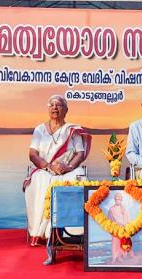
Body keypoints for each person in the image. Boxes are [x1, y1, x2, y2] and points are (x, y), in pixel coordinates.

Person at [24, 95, 91, 246]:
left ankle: (72, 231)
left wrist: (69, 167)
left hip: (67, 169)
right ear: (48, 109)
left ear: (66, 110)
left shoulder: (72, 130)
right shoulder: (40, 129)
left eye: (59, 105)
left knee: (78, 178)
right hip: (45, 168)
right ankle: (41, 233)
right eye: (52, 105)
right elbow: (32, 154)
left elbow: (80, 153)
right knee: (42, 179)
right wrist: (48, 166)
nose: (55, 107)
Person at [108, 193, 135, 263]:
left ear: (121, 200)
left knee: (124, 242)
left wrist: (126, 227)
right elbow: (109, 219)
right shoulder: (111, 209)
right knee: (115, 243)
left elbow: (128, 218)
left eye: (119, 199)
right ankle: (114, 258)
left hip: (123, 228)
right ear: (114, 200)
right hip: (115, 229)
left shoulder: (124, 208)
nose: (118, 200)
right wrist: (112, 227)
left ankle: (121, 257)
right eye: (116, 199)